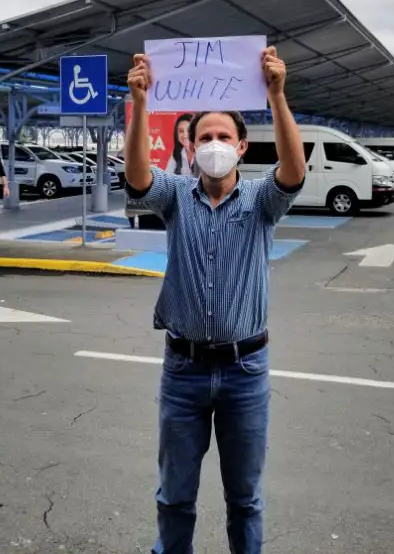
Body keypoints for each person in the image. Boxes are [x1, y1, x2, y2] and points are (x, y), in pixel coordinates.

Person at [124, 45, 307, 554]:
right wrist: (140, 102)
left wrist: (277, 95)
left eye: (224, 137)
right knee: (174, 497)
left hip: (245, 372)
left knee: (244, 500)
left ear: (243, 148)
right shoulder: (176, 196)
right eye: (204, 137)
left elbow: (294, 172)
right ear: (190, 147)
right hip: (183, 371)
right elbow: (138, 178)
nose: (214, 144)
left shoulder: (261, 201)